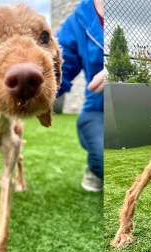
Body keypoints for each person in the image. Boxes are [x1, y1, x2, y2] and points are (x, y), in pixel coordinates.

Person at [57, 0, 105, 192]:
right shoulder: (77, 21)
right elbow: (59, 70)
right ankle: (94, 167)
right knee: (103, 158)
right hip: (97, 109)